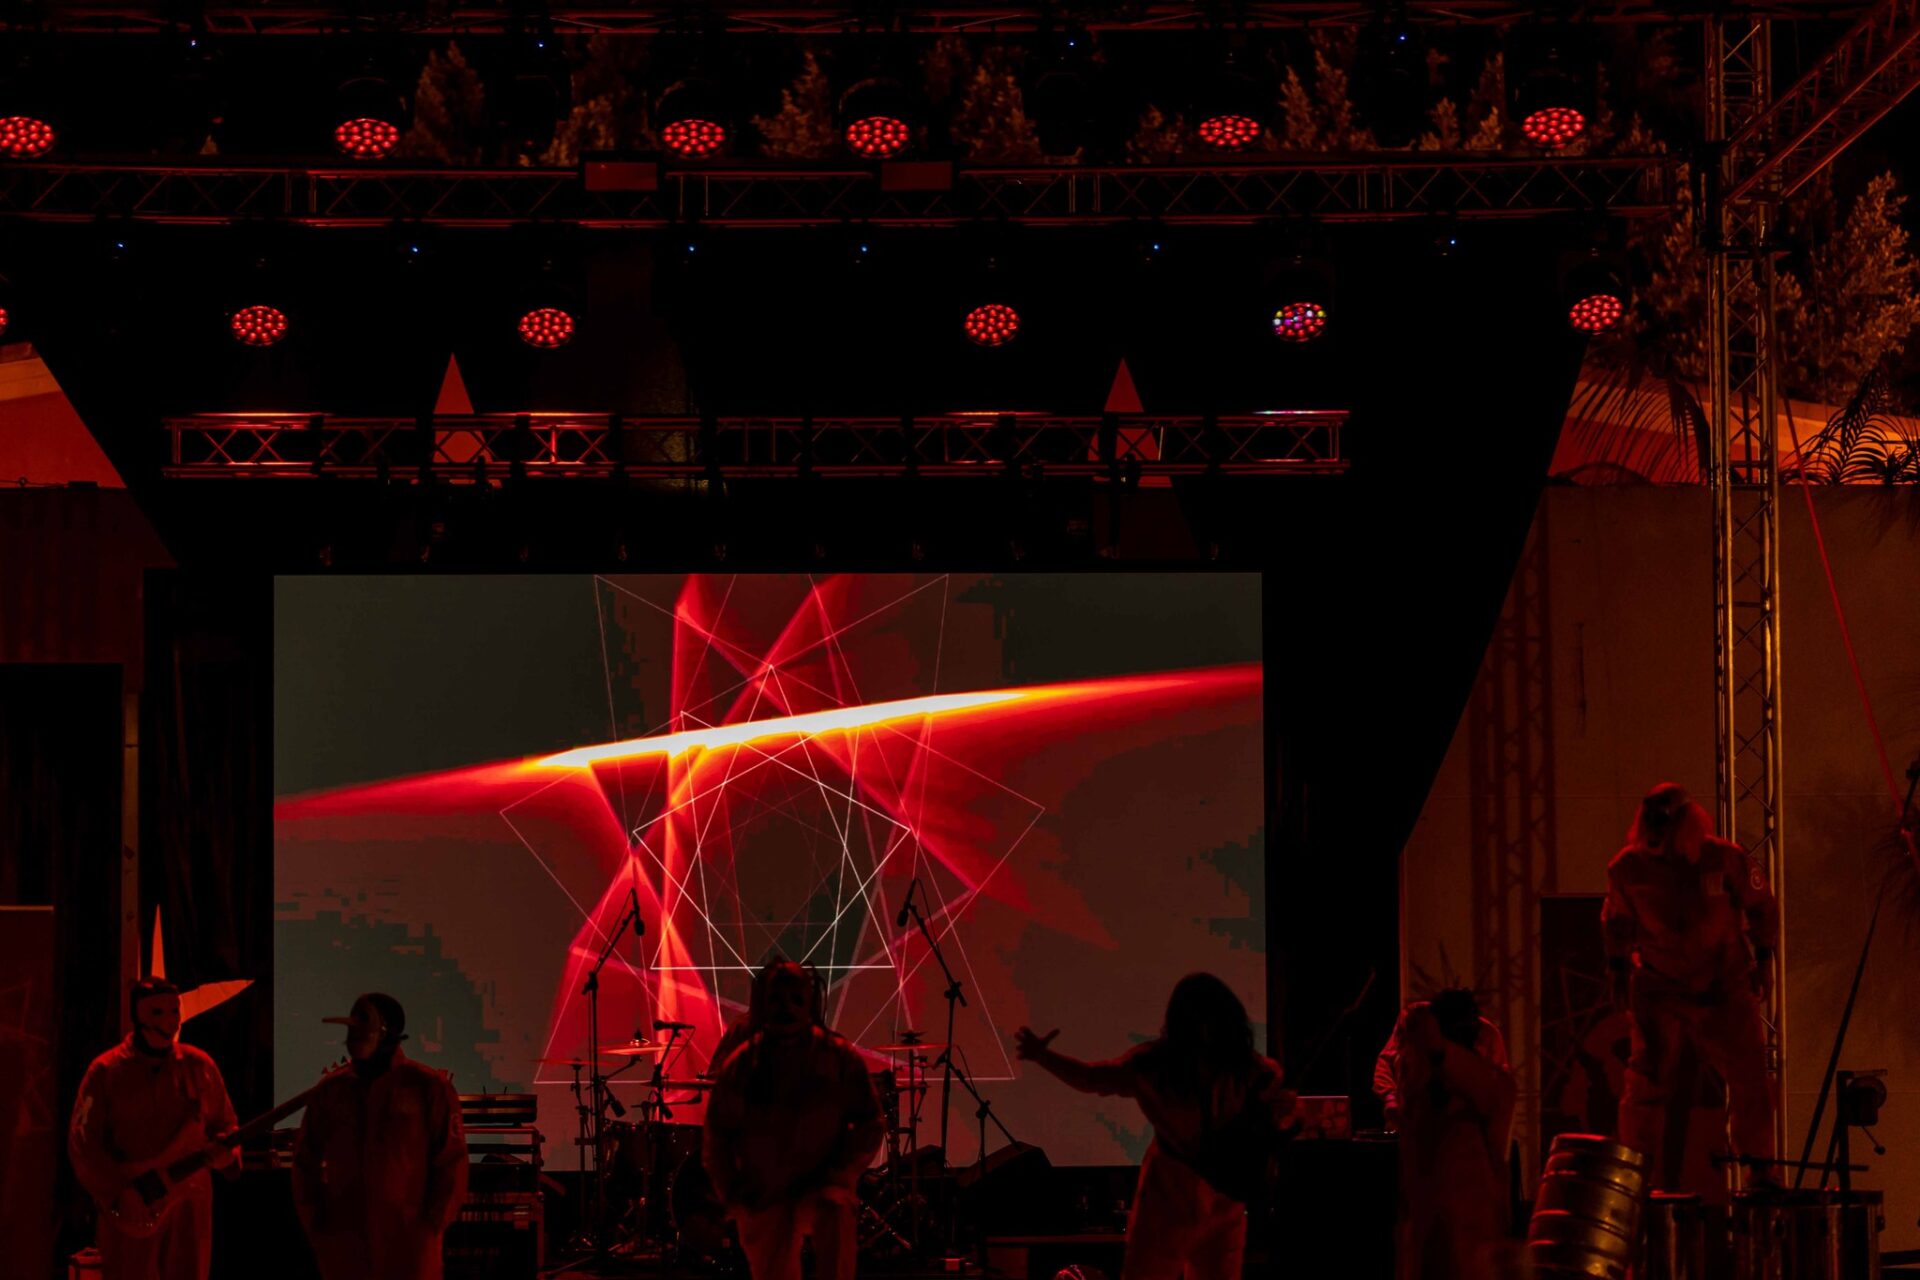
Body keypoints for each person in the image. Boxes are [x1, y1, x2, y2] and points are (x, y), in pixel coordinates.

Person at [1015, 972, 1296, 1280]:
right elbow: (1093, 1078)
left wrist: (1043, 1057)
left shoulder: (1158, 1066)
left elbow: (1092, 1078)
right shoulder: (1246, 1071)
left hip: (1180, 1201)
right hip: (1204, 1202)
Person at [1603, 782, 1779, 1186]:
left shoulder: (1724, 859)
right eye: (1650, 820)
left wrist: (1764, 960)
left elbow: (1762, 906)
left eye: (1664, 821)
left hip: (1723, 984)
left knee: (1750, 1076)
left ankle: (1760, 1169)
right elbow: (1616, 921)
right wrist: (1616, 967)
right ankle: (1635, 1173)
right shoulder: (1627, 869)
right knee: (1645, 1080)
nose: (1656, 830)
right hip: (1661, 986)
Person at [702, 960, 885, 1280]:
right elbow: (717, 1135)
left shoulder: (838, 1057)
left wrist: (840, 1174)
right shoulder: (742, 1065)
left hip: (824, 1183)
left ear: (810, 1001)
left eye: (795, 998)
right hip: (764, 1188)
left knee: (836, 1213)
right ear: (763, 1003)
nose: (785, 1008)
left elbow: (870, 1122)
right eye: (777, 999)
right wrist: (732, 1191)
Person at [68, 977, 240, 1280]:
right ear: (138, 1015)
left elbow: (225, 1124)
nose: (170, 1021)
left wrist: (228, 1156)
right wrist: (119, 1192)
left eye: (174, 1011)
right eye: (157, 1012)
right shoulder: (106, 1071)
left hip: (190, 1202)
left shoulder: (199, 1067)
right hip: (135, 1200)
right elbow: (83, 1142)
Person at [292, 993, 469, 1280]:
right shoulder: (332, 1091)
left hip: (409, 1247)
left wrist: (431, 1226)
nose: (355, 1039)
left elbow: (451, 1161)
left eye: (363, 1030)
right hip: (346, 1248)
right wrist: (318, 1225)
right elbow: (305, 1161)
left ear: (388, 1034)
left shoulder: (428, 1087)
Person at [1373, 989, 1516, 1280]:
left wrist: (1437, 1049)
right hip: (1436, 1231)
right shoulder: (1424, 1087)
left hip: (1467, 1235)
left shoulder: (1482, 1085)